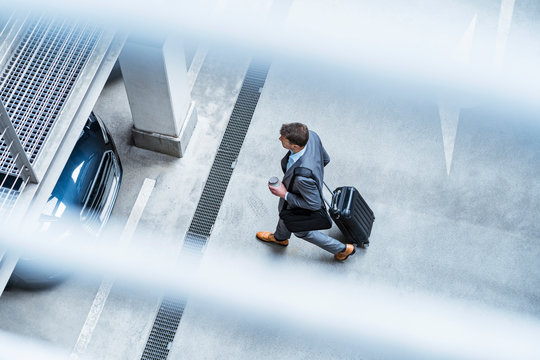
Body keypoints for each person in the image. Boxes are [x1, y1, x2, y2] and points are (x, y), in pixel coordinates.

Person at [256, 123, 355, 261]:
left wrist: (285, 194)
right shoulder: (311, 136)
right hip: (301, 191)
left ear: (295, 146)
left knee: (302, 231)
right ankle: (280, 238)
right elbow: (325, 159)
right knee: (285, 214)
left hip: (300, 200)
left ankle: (343, 249)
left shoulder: (303, 177)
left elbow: (314, 204)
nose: (279, 139)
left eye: (283, 138)